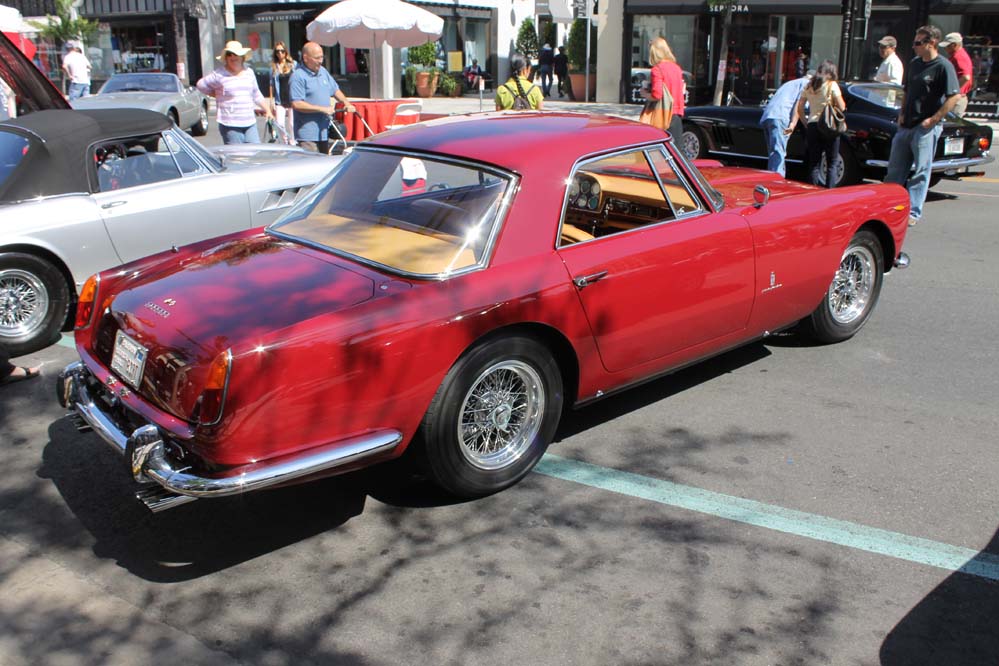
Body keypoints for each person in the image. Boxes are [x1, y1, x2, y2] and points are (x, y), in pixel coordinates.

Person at [885, 26, 960, 226]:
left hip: (925, 127)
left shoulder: (943, 66)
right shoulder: (915, 64)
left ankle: (914, 212)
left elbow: (954, 96)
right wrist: (901, 113)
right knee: (895, 170)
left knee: (920, 171)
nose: (914, 47)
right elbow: (907, 91)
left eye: (918, 43)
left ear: (931, 43)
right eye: (914, 42)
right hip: (906, 125)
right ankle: (887, 206)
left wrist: (934, 119)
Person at [196, 41, 272, 144]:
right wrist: (215, 94)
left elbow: (256, 94)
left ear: (242, 57)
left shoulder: (249, 72)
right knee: (237, 157)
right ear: (226, 58)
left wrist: (268, 110)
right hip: (230, 124)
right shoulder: (219, 74)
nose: (233, 57)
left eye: (236, 54)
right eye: (229, 54)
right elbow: (200, 85)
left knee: (255, 154)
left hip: (249, 123)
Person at [290, 42, 355, 154]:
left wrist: (346, 103)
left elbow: (335, 90)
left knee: (324, 162)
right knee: (312, 166)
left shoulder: (323, 72)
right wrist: (322, 109)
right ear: (305, 58)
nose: (321, 61)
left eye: (322, 57)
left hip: (323, 131)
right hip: (308, 135)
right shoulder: (298, 76)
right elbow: (296, 104)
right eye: (317, 58)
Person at [791, 59, 846, 188]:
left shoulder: (809, 85)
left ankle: (812, 190)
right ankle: (829, 192)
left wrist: (805, 121)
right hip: (828, 125)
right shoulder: (832, 85)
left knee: (814, 162)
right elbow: (842, 106)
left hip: (812, 125)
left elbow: (800, 107)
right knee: (831, 162)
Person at [759, 71, 812, 177]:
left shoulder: (789, 84)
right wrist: (793, 124)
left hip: (768, 116)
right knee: (778, 154)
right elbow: (799, 106)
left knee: (774, 153)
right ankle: (776, 182)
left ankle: (772, 178)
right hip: (781, 117)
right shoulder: (807, 84)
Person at [641, 36, 686, 139]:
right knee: (675, 149)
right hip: (677, 114)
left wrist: (645, 94)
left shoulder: (657, 69)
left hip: (662, 114)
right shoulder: (677, 68)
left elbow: (657, 95)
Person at [269, 42, 297, 145]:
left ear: (286, 52)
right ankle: (285, 141)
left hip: (292, 97)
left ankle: (292, 141)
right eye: (277, 51)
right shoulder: (273, 67)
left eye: (282, 51)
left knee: (292, 123)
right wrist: (271, 101)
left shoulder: (293, 65)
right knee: (280, 123)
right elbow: (271, 84)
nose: (280, 53)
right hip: (280, 99)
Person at [940, 32, 973, 117]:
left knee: (950, 127)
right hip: (956, 98)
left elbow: (966, 77)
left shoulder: (958, 56)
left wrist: (952, 91)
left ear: (954, 45)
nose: (945, 49)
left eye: (947, 46)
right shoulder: (957, 55)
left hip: (956, 99)